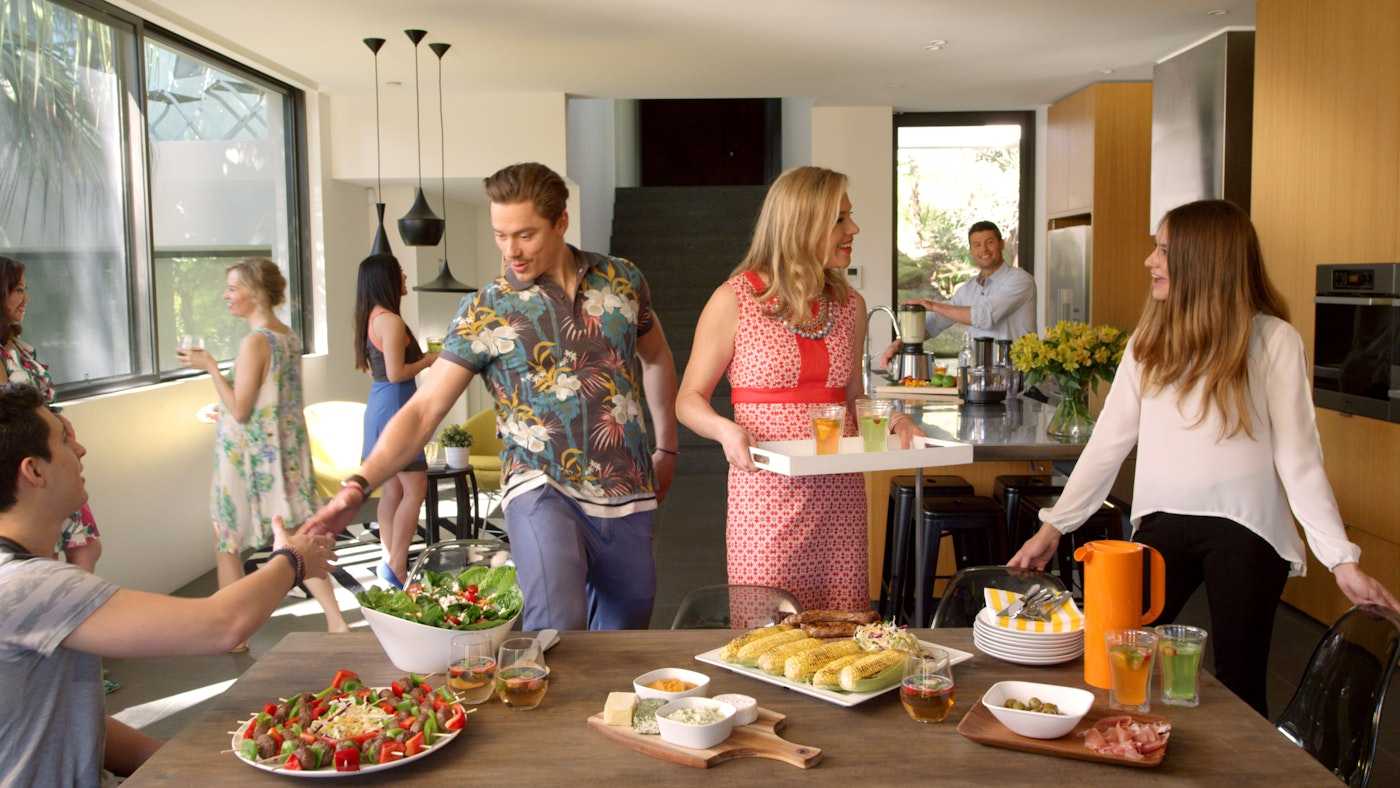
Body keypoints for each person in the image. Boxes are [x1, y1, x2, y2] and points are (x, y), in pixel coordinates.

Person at [1008, 200, 1399, 716]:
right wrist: (1054, 526)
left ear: (1204, 260)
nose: (1150, 260)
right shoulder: (1148, 341)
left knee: (1240, 687)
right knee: (1119, 661)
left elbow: (1299, 460)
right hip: (1162, 522)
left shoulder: (1273, 340)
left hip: (1248, 529)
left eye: (1164, 249)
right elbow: (1108, 443)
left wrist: (1341, 561)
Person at [305, 162, 679, 631]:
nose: (511, 251)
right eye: (500, 235)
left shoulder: (623, 281)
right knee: (556, 629)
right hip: (539, 483)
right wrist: (357, 485)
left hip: (628, 484)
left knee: (627, 630)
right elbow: (423, 410)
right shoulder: (487, 308)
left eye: (524, 235)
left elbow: (657, 356)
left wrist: (666, 445)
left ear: (561, 221)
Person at [0, 383, 335, 786]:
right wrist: (294, 560)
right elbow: (221, 625)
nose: (82, 450)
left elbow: (70, 720)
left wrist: (188, 767)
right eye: (65, 441)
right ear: (34, 471)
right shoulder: (25, 586)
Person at [676, 166, 921, 611]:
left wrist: (893, 417)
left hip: (840, 493)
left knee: (842, 625)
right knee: (767, 627)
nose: (854, 229)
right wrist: (725, 430)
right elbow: (688, 399)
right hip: (767, 493)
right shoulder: (735, 299)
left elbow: (853, 396)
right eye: (839, 219)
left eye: (850, 216)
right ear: (801, 224)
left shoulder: (851, 305)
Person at [179, 258, 348, 643]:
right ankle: (336, 619)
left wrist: (209, 368)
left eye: (233, 287)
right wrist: (221, 408)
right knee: (293, 540)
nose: (226, 295)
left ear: (255, 292)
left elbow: (242, 409)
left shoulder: (255, 341)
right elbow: (268, 402)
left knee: (227, 541)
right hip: (282, 457)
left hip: (246, 461)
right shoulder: (286, 336)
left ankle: (231, 634)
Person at [0, 255, 102, 572]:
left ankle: (73, 612)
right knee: (47, 557)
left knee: (85, 546)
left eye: (24, 289)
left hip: (52, 457)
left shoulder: (15, 345)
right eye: (16, 289)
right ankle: (65, 615)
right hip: (30, 470)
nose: (25, 298)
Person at [354, 254, 438, 588]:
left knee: (392, 491)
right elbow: (396, 372)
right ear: (385, 279)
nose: (404, 276)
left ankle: (389, 561)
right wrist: (430, 361)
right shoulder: (389, 320)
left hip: (381, 403)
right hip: (395, 405)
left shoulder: (371, 318)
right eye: (398, 273)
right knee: (415, 488)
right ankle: (397, 564)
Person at [880, 220, 1036, 366]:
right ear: (971, 250)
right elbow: (935, 322)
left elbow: (984, 317)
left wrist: (932, 305)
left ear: (1001, 244)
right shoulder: (969, 288)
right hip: (977, 379)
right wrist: (900, 343)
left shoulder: (1020, 280)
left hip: (1016, 377)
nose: (984, 249)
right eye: (977, 245)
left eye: (990, 242)